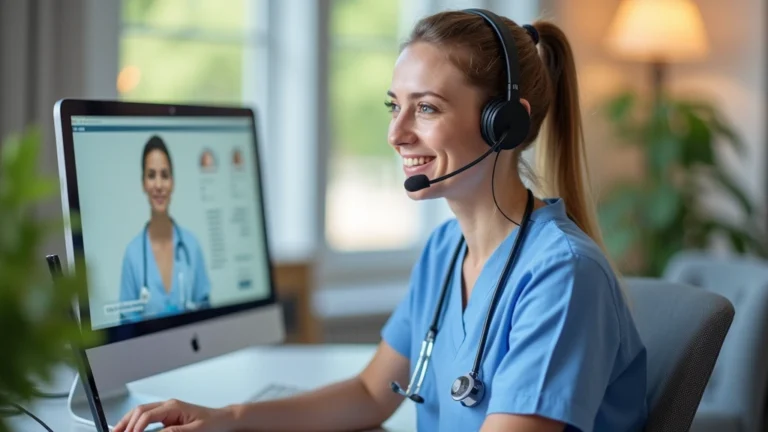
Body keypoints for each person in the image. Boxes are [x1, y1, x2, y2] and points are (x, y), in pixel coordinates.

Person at [115, 9, 647, 432]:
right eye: (395, 105)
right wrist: (228, 419)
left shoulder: (562, 276)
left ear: (505, 125)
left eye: (428, 108)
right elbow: (371, 393)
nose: (396, 134)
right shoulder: (446, 249)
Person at [118, 135, 212, 323]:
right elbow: (125, 329)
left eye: (165, 175)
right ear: (143, 183)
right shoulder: (132, 254)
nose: (159, 185)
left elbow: (206, 317)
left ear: (173, 182)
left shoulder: (191, 246)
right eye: (151, 175)